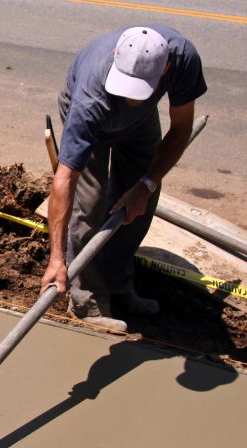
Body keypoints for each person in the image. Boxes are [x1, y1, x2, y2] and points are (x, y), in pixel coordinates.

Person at [40, 24, 207, 332]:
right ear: (116, 55)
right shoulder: (90, 99)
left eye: (138, 89)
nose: (130, 97)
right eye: (126, 86)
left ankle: (118, 284)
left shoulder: (183, 58)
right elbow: (64, 179)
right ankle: (86, 296)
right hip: (97, 116)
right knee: (91, 202)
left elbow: (181, 129)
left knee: (140, 202)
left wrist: (145, 185)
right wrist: (56, 258)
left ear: (166, 68)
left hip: (142, 122)